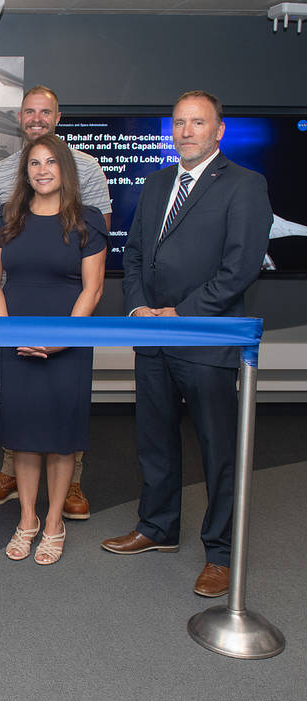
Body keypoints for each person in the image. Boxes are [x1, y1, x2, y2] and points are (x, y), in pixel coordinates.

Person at [101, 91, 271, 597]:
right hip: (152, 338)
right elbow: (133, 256)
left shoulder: (245, 185)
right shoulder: (156, 185)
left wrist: (183, 313)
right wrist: (137, 309)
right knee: (154, 441)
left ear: (218, 130)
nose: (186, 132)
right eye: (179, 123)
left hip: (205, 338)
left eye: (198, 123)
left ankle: (220, 553)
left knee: (219, 450)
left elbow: (239, 268)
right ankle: (157, 528)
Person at [0, 85, 112, 520]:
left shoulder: (86, 215)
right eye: (34, 163)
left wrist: (62, 338)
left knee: (62, 428)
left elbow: (93, 285)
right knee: (23, 428)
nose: (42, 169)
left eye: (51, 161)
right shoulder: (7, 211)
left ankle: (55, 517)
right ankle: (29, 517)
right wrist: (9, 330)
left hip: (68, 334)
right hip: (13, 332)